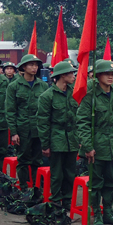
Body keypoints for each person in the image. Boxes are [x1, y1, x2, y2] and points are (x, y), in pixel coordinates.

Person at [76, 60, 113, 225]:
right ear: (98, 76)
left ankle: (108, 211)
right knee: (96, 182)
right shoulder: (90, 97)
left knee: (112, 181)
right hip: (96, 146)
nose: (111, 77)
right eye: (107, 74)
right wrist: (88, 147)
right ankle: (97, 213)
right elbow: (82, 123)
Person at [36, 61, 78, 209]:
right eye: (70, 73)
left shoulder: (74, 93)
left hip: (72, 138)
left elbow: (79, 118)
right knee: (57, 174)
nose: (73, 76)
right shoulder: (47, 96)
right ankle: (56, 200)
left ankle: (67, 200)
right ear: (62, 76)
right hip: (56, 138)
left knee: (70, 172)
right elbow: (43, 122)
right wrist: (45, 145)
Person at [6, 54, 49, 189]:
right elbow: (10, 110)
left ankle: (37, 188)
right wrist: (13, 132)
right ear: (23, 67)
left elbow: (47, 110)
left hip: (38, 129)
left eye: (36, 65)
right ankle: (24, 188)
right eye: (31, 65)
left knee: (38, 160)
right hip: (22, 129)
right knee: (23, 160)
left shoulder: (43, 85)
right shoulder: (14, 86)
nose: (34, 67)